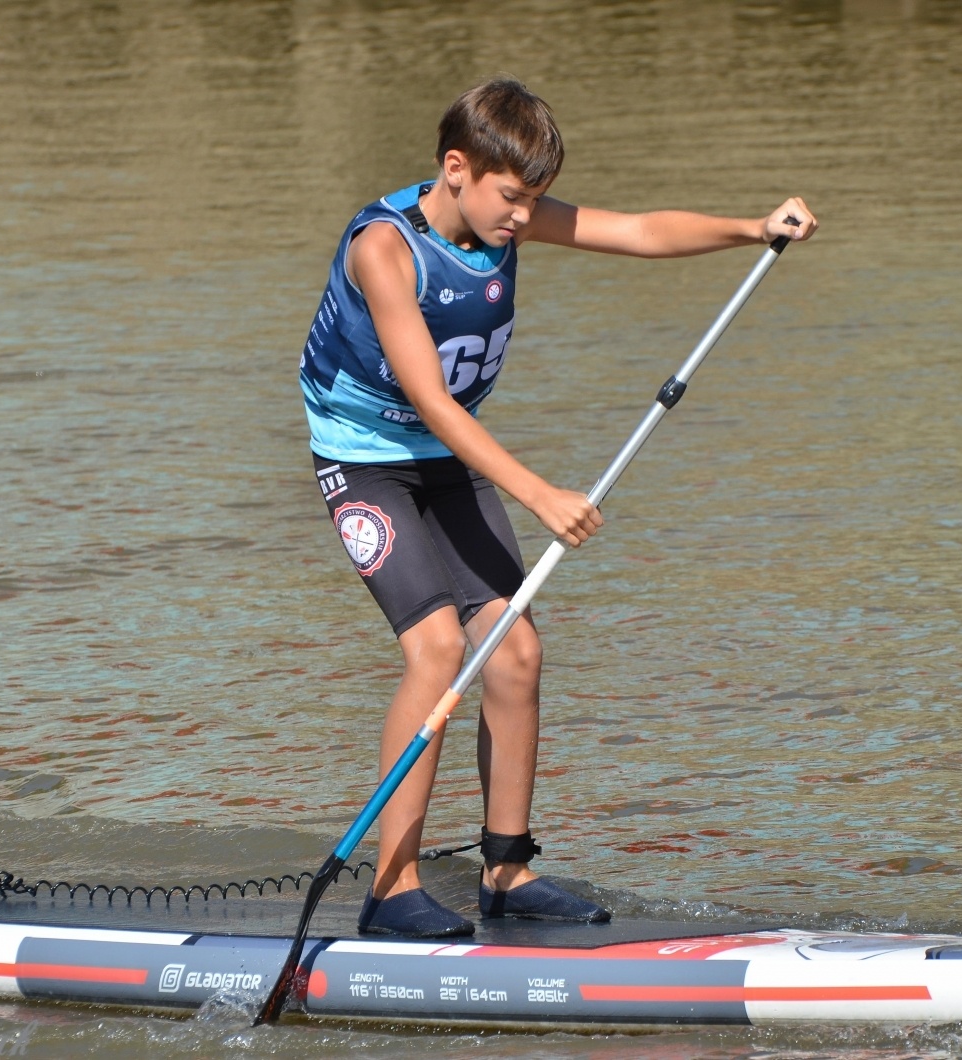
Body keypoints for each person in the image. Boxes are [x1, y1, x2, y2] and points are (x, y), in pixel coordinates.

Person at [301, 76, 817, 938]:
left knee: (514, 652)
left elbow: (638, 231)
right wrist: (539, 493)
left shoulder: (506, 216)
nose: (523, 216)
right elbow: (431, 402)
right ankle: (391, 888)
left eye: (534, 200)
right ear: (457, 168)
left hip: (450, 460)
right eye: (511, 197)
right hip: (366, 465)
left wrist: (751, 228)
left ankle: (506, 871)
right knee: (437, 651)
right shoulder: (384, 250)